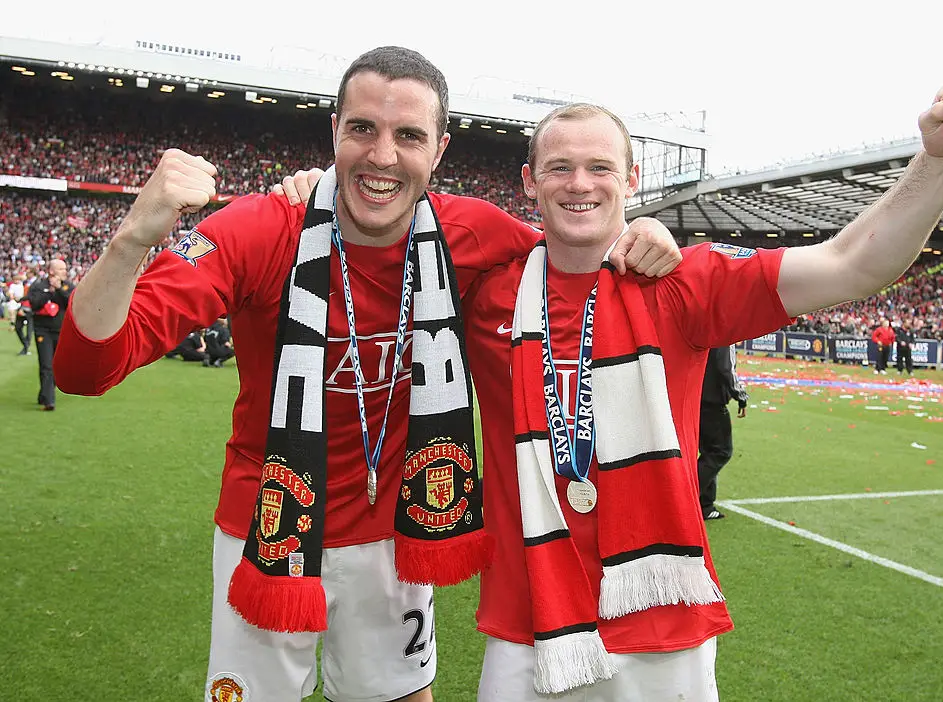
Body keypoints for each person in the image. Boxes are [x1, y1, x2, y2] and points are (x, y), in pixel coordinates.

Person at [53, 46, 682, 702]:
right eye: (362, 129)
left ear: (438, 150)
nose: (383, 155)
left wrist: (636, 234)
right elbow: (84, 367)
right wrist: (132, 238)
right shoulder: (260, 229)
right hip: (267, 528)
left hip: (396, 535)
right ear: (334, 134)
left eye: (407, 135)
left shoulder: (475, 233)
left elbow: (575, 250)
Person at [447, 81, 943, 701]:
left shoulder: (685, 280)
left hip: (661, 622)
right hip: (525, 621)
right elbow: (382, 235)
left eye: (600, 167)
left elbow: (852, 264)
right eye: (560, 168)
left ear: (631, 179)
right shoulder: (485, 293)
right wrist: (314, 192)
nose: (580, 183)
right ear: (528, 181)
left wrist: (942, 163)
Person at [697, 344, 748, 520]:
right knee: (720, 452)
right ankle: (687, 496)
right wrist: (740, 395)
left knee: (709, 452)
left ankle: (706, 505)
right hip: (712, 399)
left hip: (695, 395)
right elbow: (725, 365)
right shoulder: (724, 331)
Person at [28, 259, 73, 411]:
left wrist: (59, 289)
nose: (65, 272)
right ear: (52, 271)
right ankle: (49, 401)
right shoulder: (39, 286)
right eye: (61, 269)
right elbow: (34, 303)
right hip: (43, 330)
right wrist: (50, 292)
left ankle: (44, 394)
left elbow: (71, 303)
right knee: (46, 365)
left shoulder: (68, 286)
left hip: (61, 331)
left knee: (56, 365)